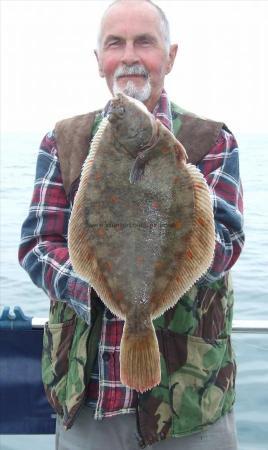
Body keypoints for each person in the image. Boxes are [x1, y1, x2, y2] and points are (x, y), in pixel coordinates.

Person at [18, 1, 245, 449]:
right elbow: (38, 246)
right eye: (114, 44)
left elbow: (225, 247)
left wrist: (179, 209)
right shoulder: (62, 141)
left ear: (171, 55)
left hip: (190, 404)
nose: (129, 56)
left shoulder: (210, 139)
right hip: (86, 402)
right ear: (99, 59)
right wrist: (102, 286)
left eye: (145, 42)